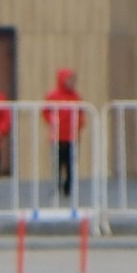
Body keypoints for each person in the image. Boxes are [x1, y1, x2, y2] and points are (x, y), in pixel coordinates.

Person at [42, 68, 87, 197]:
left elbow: (81, 113)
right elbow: (46, 112)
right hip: (57, 136)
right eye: (69, 79)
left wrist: (79, 124)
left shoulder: (76, 97)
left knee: (70, 163)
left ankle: (69, 187)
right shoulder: (53, 96)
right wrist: (52, 121)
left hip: (72, 136)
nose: (72, 82)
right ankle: (56, 186)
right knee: (57, 162)